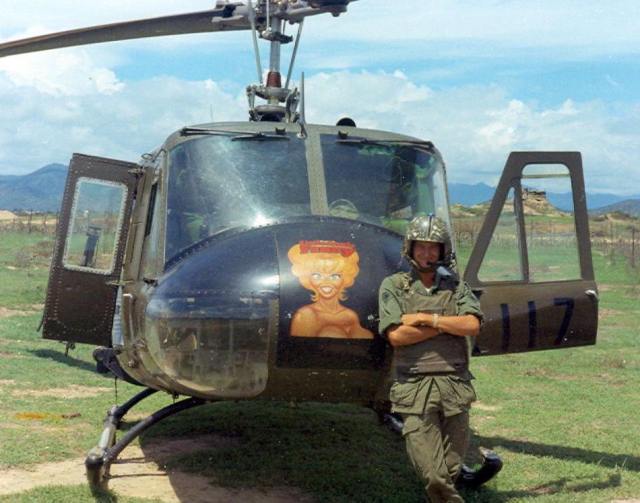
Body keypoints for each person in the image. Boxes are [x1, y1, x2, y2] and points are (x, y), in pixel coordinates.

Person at [378, 215, 483, 503]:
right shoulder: (394, 286)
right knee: (433, 474)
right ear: (410, 248)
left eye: (433, 247)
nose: (427, 253)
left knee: (449, 470)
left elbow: (472, 325)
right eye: (421, 247)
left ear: (443, 250)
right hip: (414, 387)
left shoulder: (456, 287)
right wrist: (448, 324)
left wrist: (427, 319)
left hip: (454, 386)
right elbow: (397, 336)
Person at [288, 240, 373, 339]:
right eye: (317, 276)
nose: (326, 282)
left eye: (335, 276)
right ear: (308, 279)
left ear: (345, 278)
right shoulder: (306, 315)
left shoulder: (350, 315)